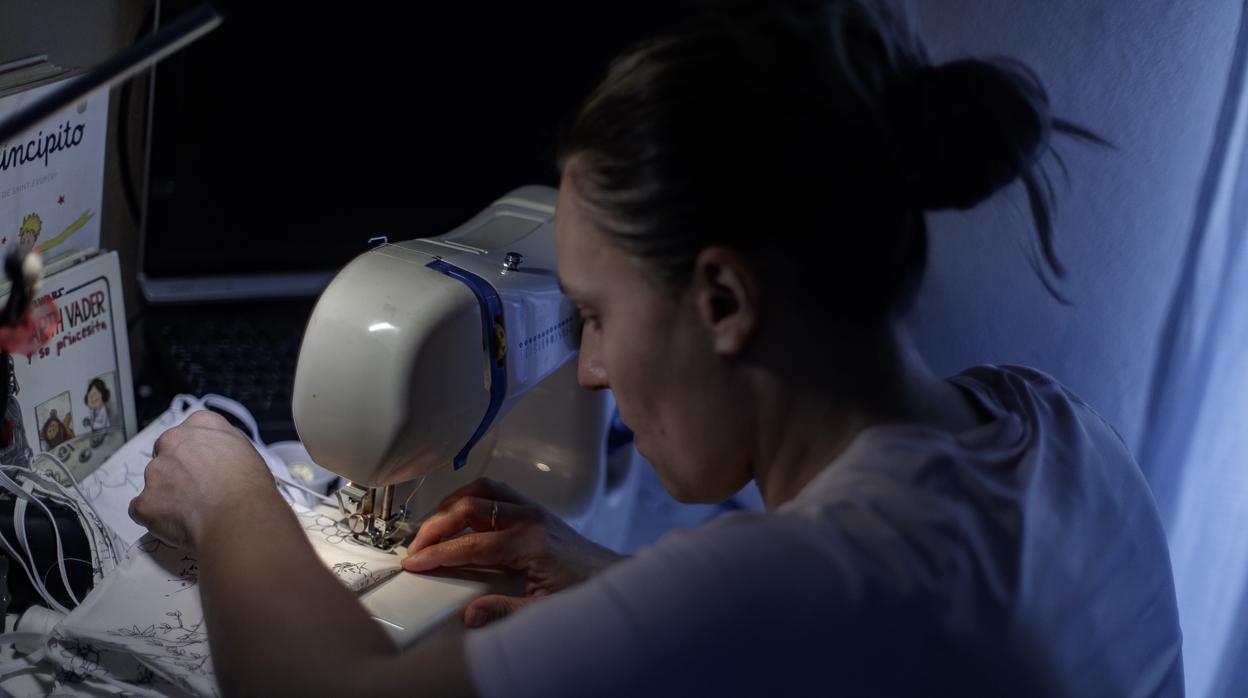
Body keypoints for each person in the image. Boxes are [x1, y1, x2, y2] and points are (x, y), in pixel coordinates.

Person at [128, 0, 1184, 695]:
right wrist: (610, 580)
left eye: (596, 313)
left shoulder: (809, 578)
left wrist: (231, 495)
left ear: (723, 295)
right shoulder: (1049, 421)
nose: (589, 368)